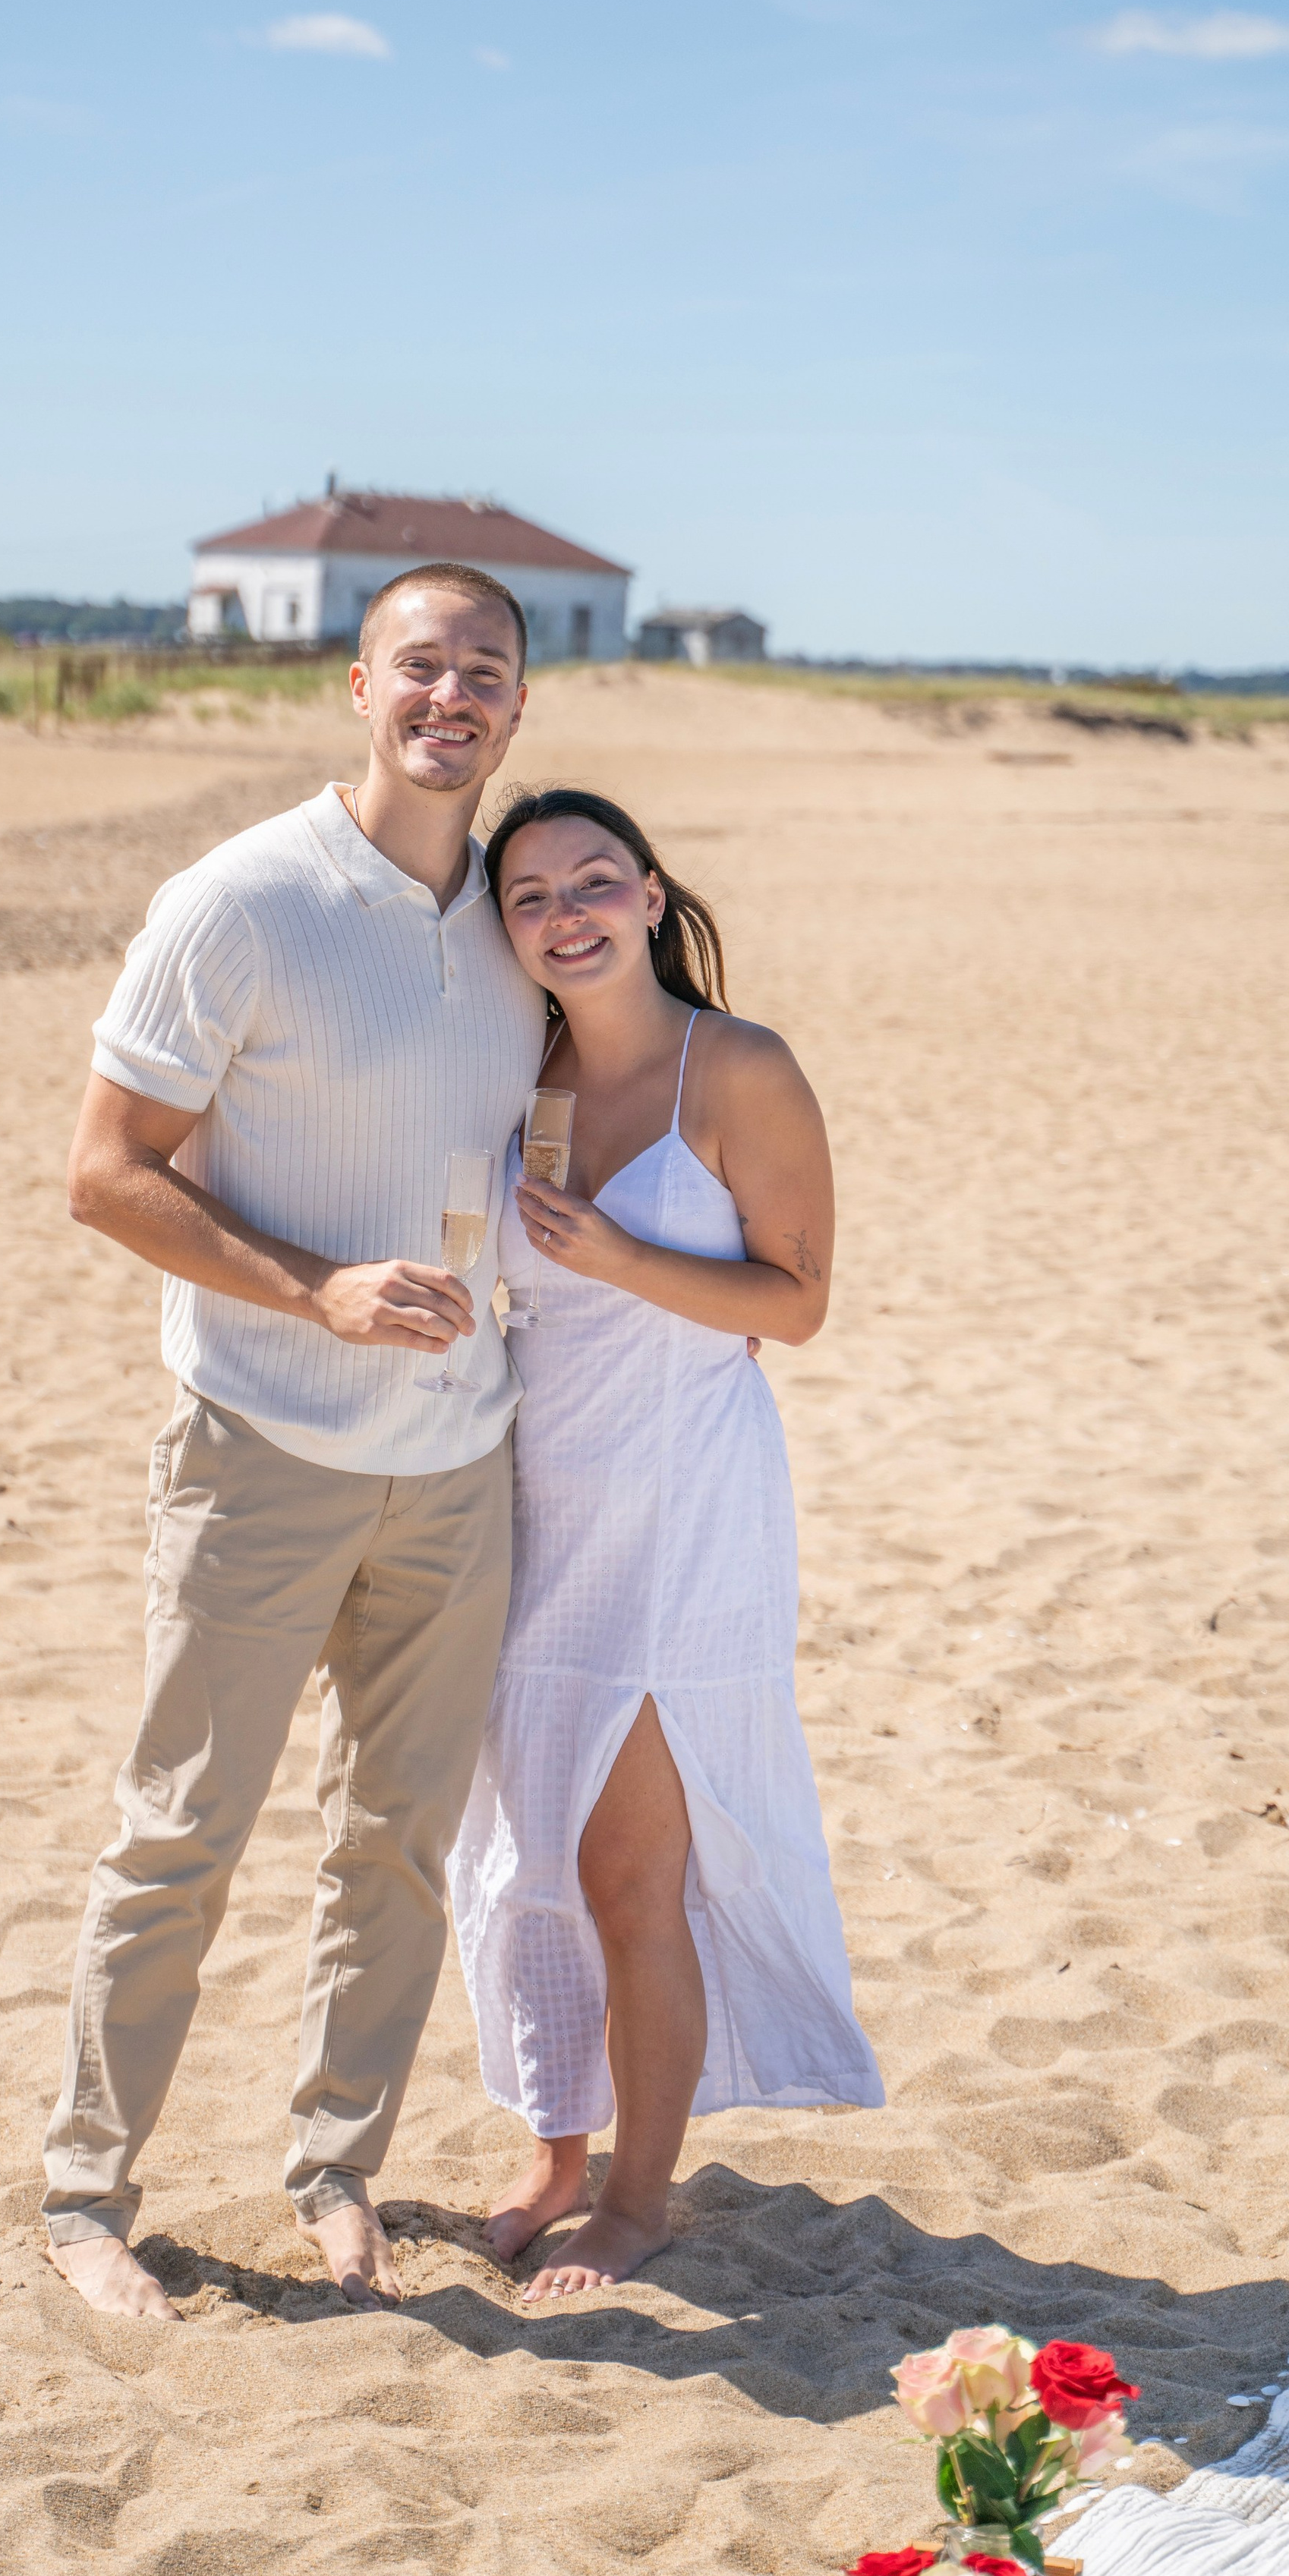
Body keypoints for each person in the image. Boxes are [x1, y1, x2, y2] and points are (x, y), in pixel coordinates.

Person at [42, 564, 548, 2319]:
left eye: (482, 671)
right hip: (258, 1446)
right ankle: (85, 2196)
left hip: (458, 1466)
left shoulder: (518, 919)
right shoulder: (240, 900)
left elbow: (557, 1125)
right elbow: (104, 1172)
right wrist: (315, 1289)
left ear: (518, 706)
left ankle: (337, 2169)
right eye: (421, 664)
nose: (448, 695)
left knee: (395, 1847)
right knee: (181, 1833)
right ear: (357, 684)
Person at [449, 786, 882, 2301]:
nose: (564, 913)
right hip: (536, 1501)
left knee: (631, 1870)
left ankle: (635, 2197)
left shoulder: (738, 1066)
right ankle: (555, 2153)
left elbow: (797, 1302)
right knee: (537, 1854)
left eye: (592, 881)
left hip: (685, 1506)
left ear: (648, 893)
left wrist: (629, 1254)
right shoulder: (527, 1072)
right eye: (528, 896)